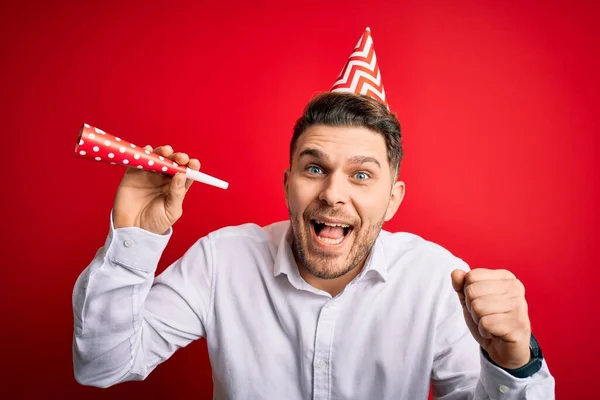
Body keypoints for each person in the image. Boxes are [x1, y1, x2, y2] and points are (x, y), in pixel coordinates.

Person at [72, 29, 555, 399]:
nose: (333, 194)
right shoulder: (221, 261)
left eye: (362, 175)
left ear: (394, 198)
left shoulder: (434, 279)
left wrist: (514, 363)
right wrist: (133, 237)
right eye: (314, 168)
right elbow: (102, 366)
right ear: (287, 184)